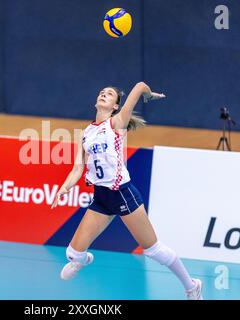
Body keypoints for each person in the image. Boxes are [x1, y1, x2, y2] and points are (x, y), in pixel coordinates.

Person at [51, 82, 203, 300]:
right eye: (101, 92)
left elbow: (140, 86)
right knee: (73, 254)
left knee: (152, 250)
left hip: (122, 193)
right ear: (96, 102)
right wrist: (64, 188)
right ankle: (84, 260)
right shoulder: (86, 133)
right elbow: (78, 168)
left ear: (115, 106)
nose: (104, 94)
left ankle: (192, 286)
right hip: (101, 197)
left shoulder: (117, 123)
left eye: (110, 94)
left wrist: (149, 94)